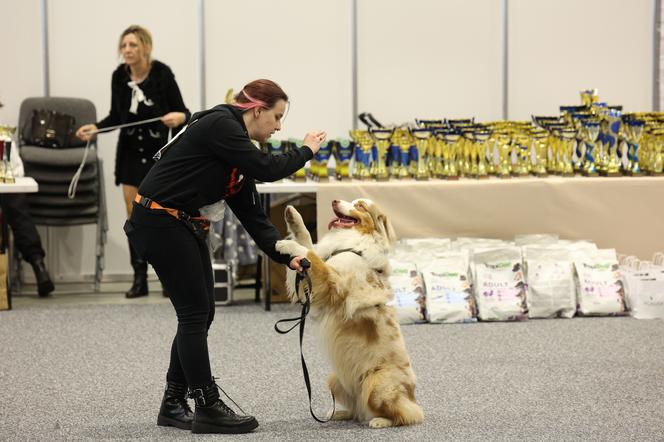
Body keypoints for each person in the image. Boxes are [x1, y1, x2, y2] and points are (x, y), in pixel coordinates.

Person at [124, 79, 325, 434]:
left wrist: (286, 257)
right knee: (194, 314)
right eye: (276, 117)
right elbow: (267, 168)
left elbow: (253, 217)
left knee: (202, 314)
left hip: (179, 224)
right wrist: (307, 150)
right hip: (158, 221)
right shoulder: (221, 124)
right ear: (257, 109)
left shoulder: (236, 152)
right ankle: (207, 405)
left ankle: (173, 403)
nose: (279, 127)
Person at [75, 25, 190, 299]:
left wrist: (179, 118)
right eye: (124, 45)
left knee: (163, 216)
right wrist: (95, 128)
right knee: (134, 217)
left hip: (158, 154)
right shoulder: (118, 76)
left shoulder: (162, 73)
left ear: (146, 48)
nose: (127, 50)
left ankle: (166, 276)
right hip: (129, 154)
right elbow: (117, 116)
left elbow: (183, 112)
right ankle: (139, 279)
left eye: (133, 45)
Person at [1, 144, 54, 297]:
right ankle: (38, 263)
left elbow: (17, 170)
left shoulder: (3, 137)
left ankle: (38, 264)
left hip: (4, 187)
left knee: (16, 201)